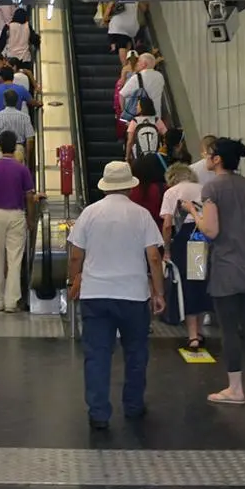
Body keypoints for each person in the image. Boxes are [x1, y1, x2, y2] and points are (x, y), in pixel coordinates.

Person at [67, 161, 166, 430]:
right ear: (129, 187)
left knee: (97, 355)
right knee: (136, 353)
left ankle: (99, 413)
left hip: (96, 295)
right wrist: (158, 292)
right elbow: (154, 257)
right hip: (133, 295)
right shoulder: (142, 215)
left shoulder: (89, 213)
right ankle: (133, 406)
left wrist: (73, 280)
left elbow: (76, 255)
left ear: (105, 186)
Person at [182, 138, 245, 407]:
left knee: (229, 329)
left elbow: (211, 230)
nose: (206, 158)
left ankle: (235, 389)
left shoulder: (212, 188)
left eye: (209, 154)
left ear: (217, 159)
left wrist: (192, 211)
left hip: (226, 267)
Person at [0, 130, 37, 312]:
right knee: (14, 258)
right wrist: (31, 218)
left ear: (0, 147)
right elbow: (29, 196)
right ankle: (11, 302)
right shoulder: (22, 169)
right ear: (15, 148)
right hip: (17, 214)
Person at [159, 163, 211, 350]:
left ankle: (192, 335)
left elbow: (167, 225)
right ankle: (200, 330)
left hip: (187, 236)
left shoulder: (172, 192)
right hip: (205, 235)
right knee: (201, 282)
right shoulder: (204, 189)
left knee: (188, 285)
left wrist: (166, 250)